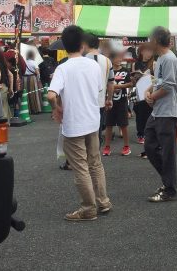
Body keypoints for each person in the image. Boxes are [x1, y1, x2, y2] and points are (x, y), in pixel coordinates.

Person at [48, 25, 112, 221]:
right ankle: (103, 201)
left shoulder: (63, 68)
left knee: (81, 167)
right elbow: (100, 89)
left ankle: (88, 208)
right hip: (92, 121)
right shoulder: (93, 65)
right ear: (82, 45)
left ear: (64, 46)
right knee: (95, 163)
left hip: (74, 123)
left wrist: (56, 107)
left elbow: (51, 94)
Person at [144, 27, 177, 202]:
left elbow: (169, 85)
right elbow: (159, 82)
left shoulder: (168, 58)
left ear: (157, 41)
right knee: (150, 146)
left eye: (150, 39)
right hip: (159, 111)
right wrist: (149, 89)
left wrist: (152, 96)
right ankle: (171, 180)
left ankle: (169, 188)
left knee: (167, 152)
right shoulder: (160, 59)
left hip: (168, 112)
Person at [83, 33, 114, 146]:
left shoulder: (82, 60)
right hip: (100, 103)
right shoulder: (107, 61)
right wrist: (109, 99)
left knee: (84, 134)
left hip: (84, 104)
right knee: (97, 133)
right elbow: (111, 82)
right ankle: (95, 159)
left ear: (85, 44)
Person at [103, 52, 133, 156]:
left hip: (122, 101)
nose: (119, 59)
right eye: (117, 57)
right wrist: (110, 89)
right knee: (109, 124)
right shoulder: (108, 71)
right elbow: (104, 84)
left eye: (120, 58)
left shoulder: (125, 71)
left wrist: (118, 87)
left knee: (123, 125)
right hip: (110, 101)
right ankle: (107, 147)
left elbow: (130, 83)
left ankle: (126, 146)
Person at [132, 43, 155, 146]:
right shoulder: (135, 64)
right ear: (141, 52)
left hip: (150, 92)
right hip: (139, 92)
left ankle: (149, 134)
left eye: (150, 51)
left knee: (150, 113)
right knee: (140, 114)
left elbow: (157, 79)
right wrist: (135, 77)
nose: (148, 53)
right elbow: (133, 81)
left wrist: (149, 76)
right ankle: (140, 134)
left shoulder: (154, 64)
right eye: (146, 51)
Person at [24, 50, 42, 114]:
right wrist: (38, 79)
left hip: (25, 79)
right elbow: (37, 72)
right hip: (32, 78)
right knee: (35, 94)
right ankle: (36, 109)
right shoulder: (34, 62)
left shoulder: (24, 62)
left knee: (27, 93)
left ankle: (28, 109)